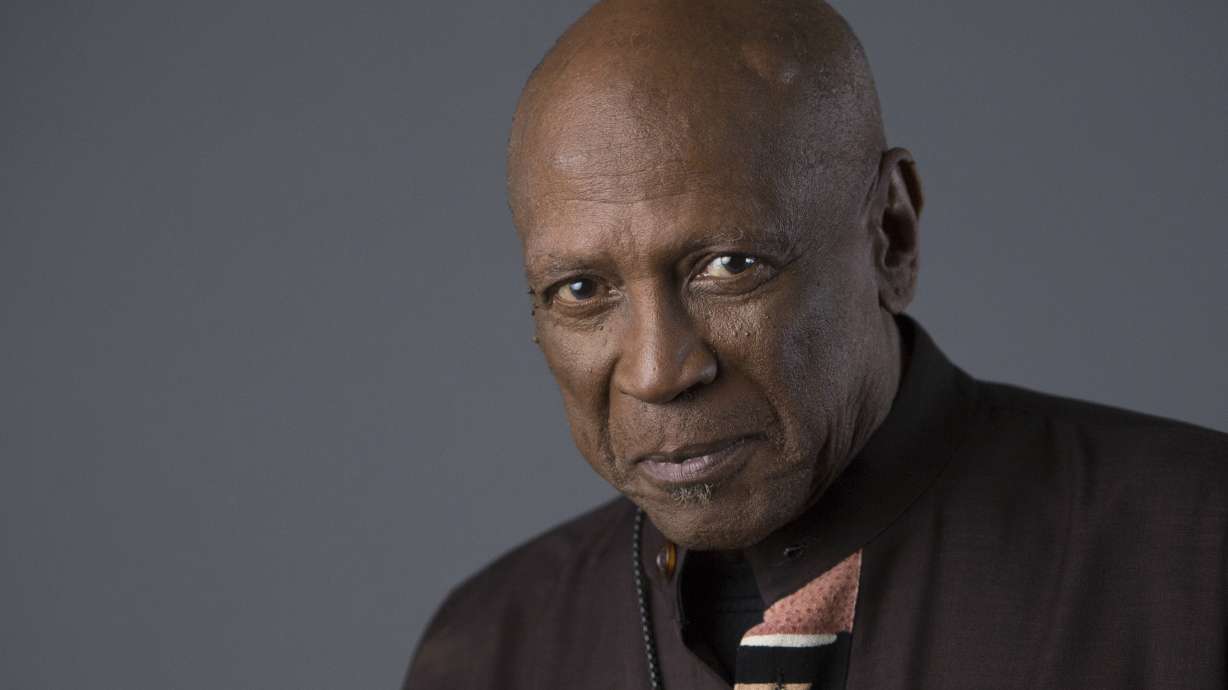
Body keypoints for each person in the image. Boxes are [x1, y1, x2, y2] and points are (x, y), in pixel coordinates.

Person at [404, 1, 1228, 687]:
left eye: (731, 266)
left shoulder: (1200, 563)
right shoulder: (489, 651)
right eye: (582, 290)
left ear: (891, 236)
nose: (658, 372)